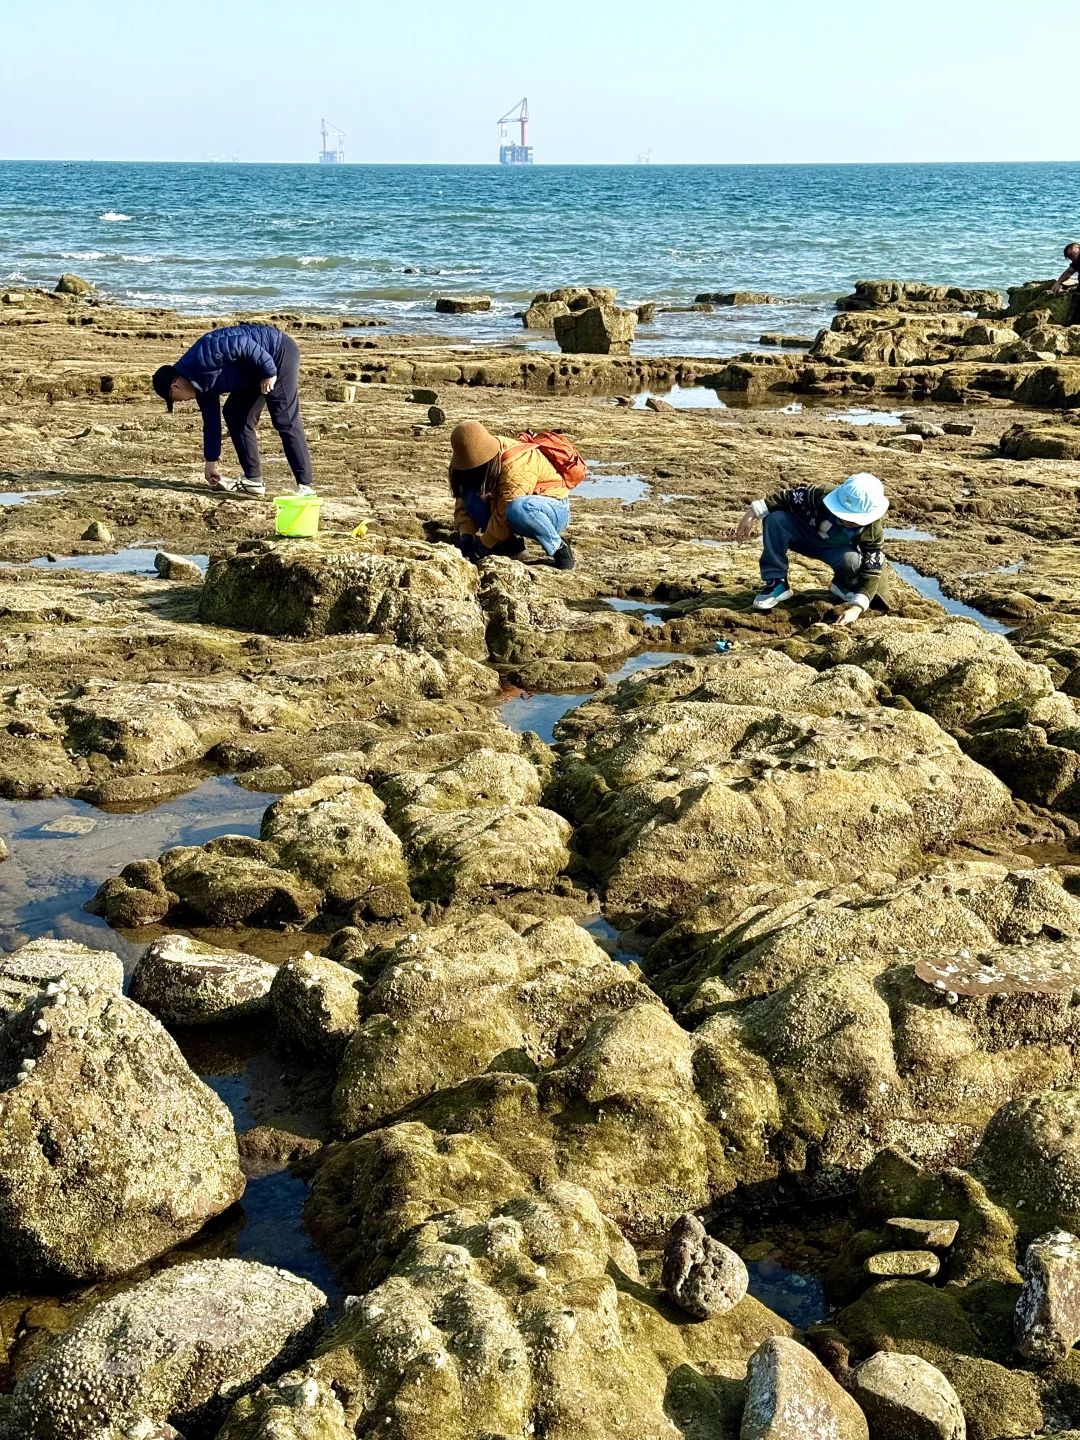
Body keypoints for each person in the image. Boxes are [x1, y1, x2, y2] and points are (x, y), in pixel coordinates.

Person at [152, 323, 315, 497]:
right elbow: (211, 423)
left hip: (277, 352)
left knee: (284, 418)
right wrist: (210, 463)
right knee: (235, 414)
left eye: (175, 400)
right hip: (253, 371)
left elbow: (243, 343)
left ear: (175, 387)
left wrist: (269, 372)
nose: (181, 402)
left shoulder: (202, 356)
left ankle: (306, 486)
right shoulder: (199, 386)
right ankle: (253, 480)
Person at [734, 472, 891, 624]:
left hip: (838, 551)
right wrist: (751, 514)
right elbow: (786, 498)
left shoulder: (872, 529)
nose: (847, 521)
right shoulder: (820, 495)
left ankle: (843, 584)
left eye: (854, 519)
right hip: (806, 536)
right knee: (775, 518)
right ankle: (777, 583)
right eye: (844, 514)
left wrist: (856, 608)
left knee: (854, 561)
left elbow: (873, 566)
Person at [449, 421, 575, 569]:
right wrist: (466, 537)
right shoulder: (474, 459)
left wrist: (483, 544)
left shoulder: (516, 461)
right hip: (508, 510)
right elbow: (464, 502)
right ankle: (509, 546)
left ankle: (559, 548)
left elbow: (506, 510)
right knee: (470, 492)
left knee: (519, 508)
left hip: (552, 509)